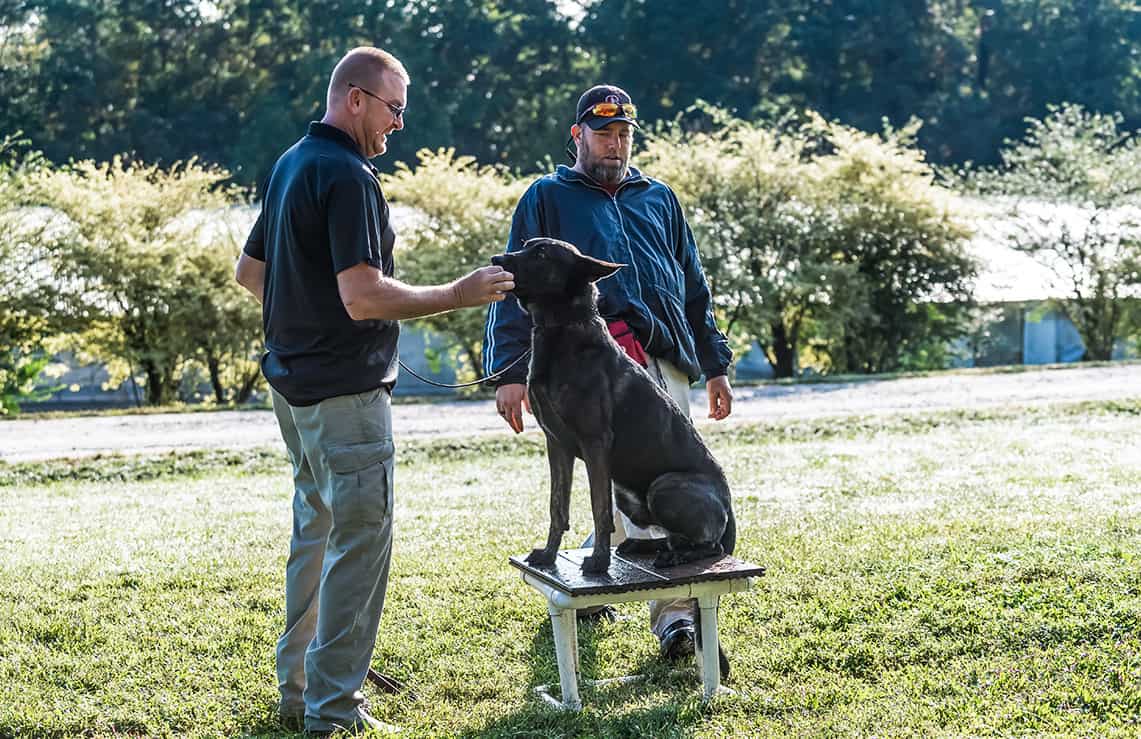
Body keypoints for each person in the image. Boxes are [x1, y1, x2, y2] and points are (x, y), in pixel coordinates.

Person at [235, 47, 513, 735]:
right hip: (346, 400)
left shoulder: (291, 162)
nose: (399, 124)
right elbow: (361, 297)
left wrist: (307, 316)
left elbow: (250, 272)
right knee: (360, 544)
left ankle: (298, 688)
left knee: (316, 534)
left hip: (293, 393)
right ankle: (335, 708)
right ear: (354, 98)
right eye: (394, 109)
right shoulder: (348, 175)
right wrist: (457, 293)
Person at [482, 84, 734, 662]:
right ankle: (612, 588)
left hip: (663, 361)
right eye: (603, 134)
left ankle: (675, 618)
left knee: (656, 481)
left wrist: (715, 362)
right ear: (577, 135)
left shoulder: (660, 198)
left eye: (624, 134)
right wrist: (511, 372)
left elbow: (694, 286)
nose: (615, 145)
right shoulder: (546, 197)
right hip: (589, 365)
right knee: (622, 489)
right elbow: (511, 284)